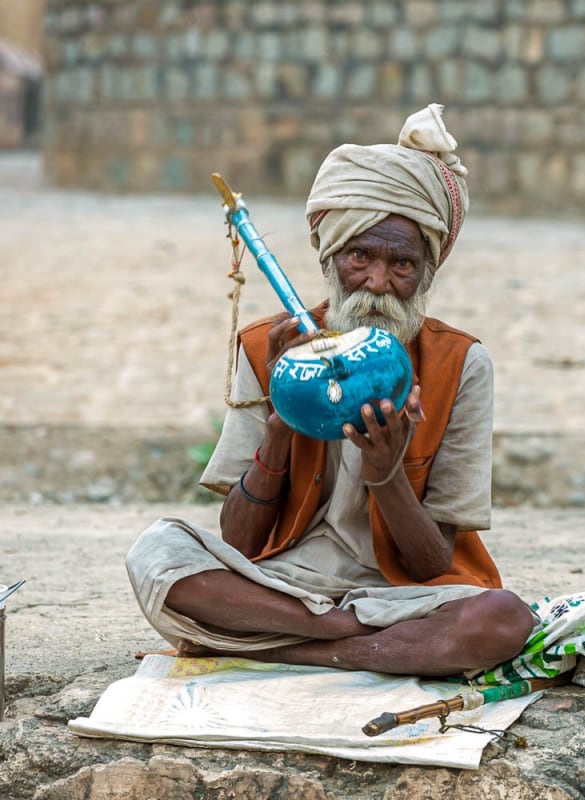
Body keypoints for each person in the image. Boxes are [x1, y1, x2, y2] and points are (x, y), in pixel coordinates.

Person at [126, 104, 537, 677]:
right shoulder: (269, 349)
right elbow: (239, 539)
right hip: (283, 584)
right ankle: (350, 643)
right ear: (330, 255)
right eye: (360, 256)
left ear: (427, 270)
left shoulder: (461, 364)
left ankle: (293, 650)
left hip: (403, 598)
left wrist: (386, 472)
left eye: (403, 264)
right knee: (157, 554)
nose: (378, 282)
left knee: (502, 620)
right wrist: (280, 416)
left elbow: (429, 562)